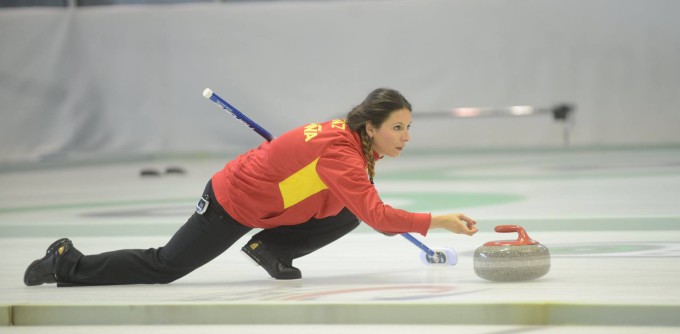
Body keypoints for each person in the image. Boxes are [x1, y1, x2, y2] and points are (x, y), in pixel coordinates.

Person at [24, 88, 478, 287]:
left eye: (408, 127)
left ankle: (272, 250)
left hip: (273, 204)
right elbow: (379, 217)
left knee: (347, 207)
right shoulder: (341, 152)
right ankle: (66, 263)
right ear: (371, 125)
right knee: (166, 266)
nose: (405, 136)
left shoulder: (349, 138)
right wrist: (438, 221)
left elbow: (354, 198)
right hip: (231, 202)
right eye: (397, 127)